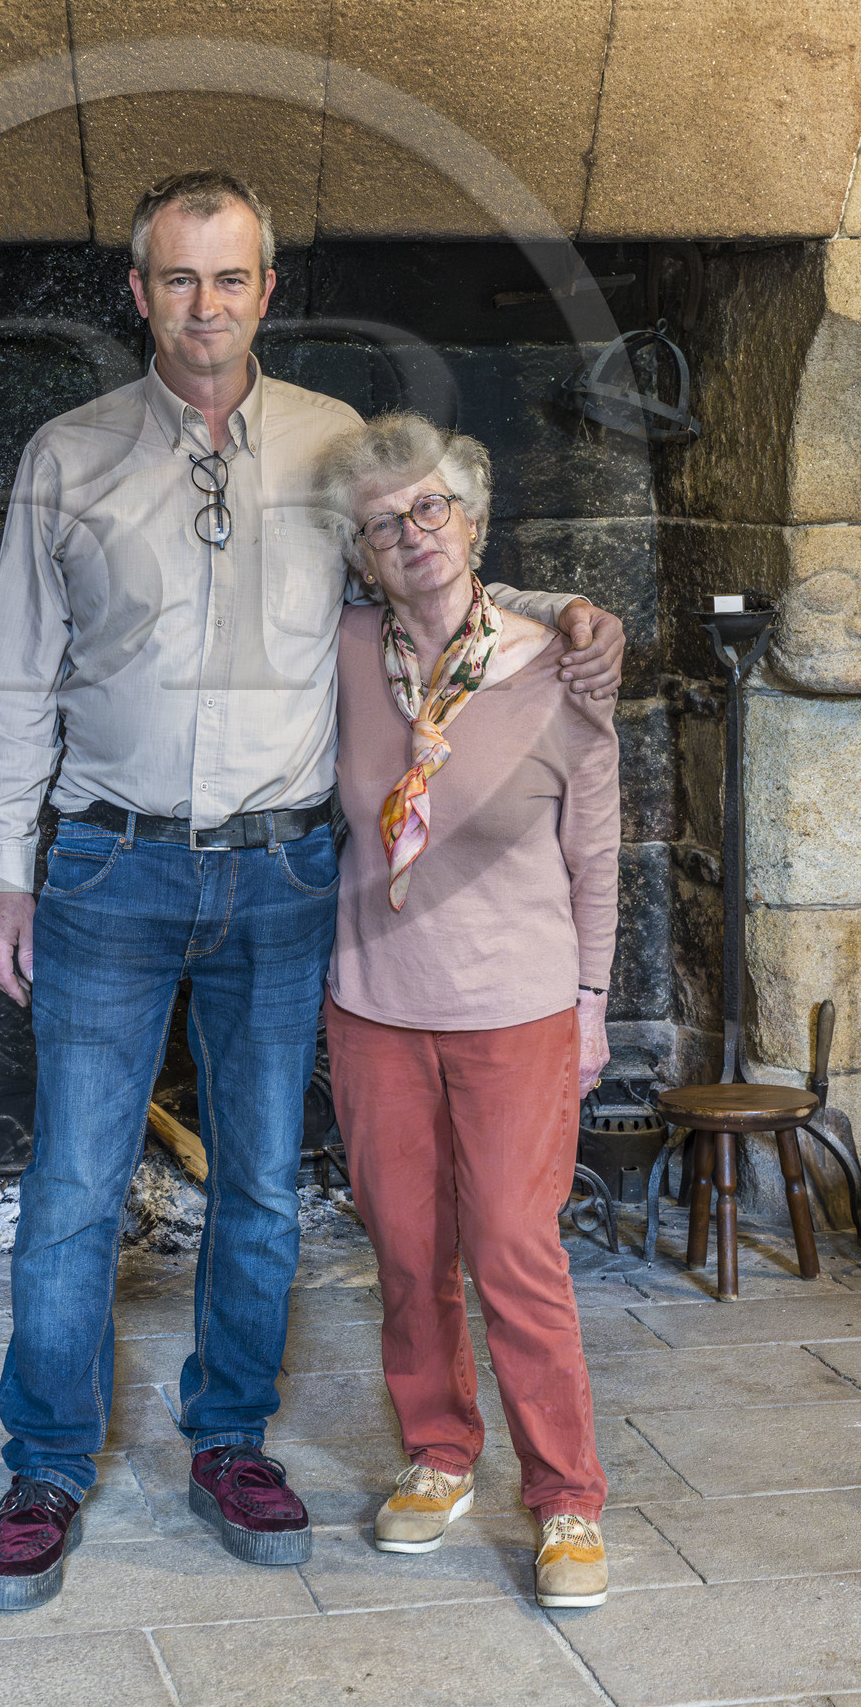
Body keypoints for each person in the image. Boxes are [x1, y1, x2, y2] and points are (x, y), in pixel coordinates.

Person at [0, 167, 625, 1613]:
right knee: (75, 1186)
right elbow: (14, 675)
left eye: (234, 277)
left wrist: (561, 616)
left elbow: (427, 579)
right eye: (179, 278)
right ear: (138, 294)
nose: (207, 305)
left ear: (270, 291)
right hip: (106, 865)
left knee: (261, 1189)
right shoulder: (65, 455)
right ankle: (49, 1464)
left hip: (282, 880)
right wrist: (3, 872)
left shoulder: (334, 445)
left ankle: (227, 1442)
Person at [315, 410, 619, 1610]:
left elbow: (596, 857)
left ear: (473, 518)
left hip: (520, 1007)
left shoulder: (563, 662)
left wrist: (591, 1003)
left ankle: (566, 1498)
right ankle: (438, 1453)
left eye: (430, 508)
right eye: (381, 525)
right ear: (359, 554)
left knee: (513, 1251)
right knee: (403, 1249)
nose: (410, 535)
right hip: (376, 1004)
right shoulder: (341, 650)